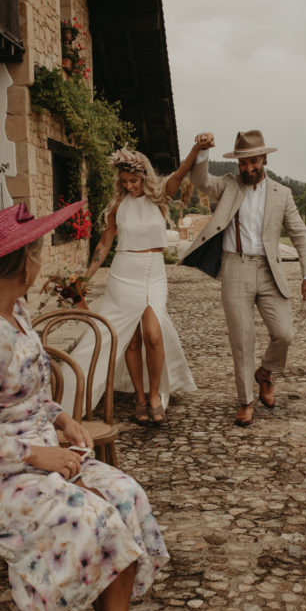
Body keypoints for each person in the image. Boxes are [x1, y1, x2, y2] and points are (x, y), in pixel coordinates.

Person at [0, 202, 169, 611]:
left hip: (33, 457)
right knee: (88, 519)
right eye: (37, 252)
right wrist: (36, 455)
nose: (40, 261)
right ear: (22, 263)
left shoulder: (14, 311)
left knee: (124, 496)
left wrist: (59, 418)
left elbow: (21, 390)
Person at [181, 130, 306, 426]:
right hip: (235, 267)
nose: (248, 168)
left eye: (253, 162)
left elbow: (300, 234)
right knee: (242, 339)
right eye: (243, 163)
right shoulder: (228, 185)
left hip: (270, 269)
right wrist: (202, 151)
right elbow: (201, 181)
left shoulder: (283, 194)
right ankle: (245, 401)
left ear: (264, 159)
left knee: (284, 334)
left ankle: (265, 373)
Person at [74, 146, 201, 426]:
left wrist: (197, 147)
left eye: (134, 180)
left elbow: (181, 172)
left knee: (153, 335)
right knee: (130, 338)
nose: (130, 186)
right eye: (125, 182)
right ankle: (140, 396)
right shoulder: (117, 207)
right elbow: (105, 242)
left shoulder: (161, 197)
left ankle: (156, 394)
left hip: (154, 273)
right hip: (122, 273)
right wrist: (86, 277)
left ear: (144, 175)